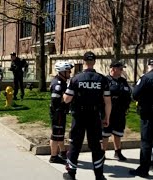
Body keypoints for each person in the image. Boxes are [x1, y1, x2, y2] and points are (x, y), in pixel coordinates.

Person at [62, 51, 112, 180]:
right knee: (96, 146)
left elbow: (67, 99)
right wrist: (107, 117)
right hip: (94, 116)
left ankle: (71, 174)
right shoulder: (102, 79)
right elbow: (108, 101)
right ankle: (99, 175)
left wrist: (64, 95)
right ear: (94, 62)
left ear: (83, 62)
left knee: (75, 144)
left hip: (79, 116)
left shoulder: (75, 79)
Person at [102, 61, 131, 161]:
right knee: (105, 134)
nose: (122, 70)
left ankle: (118, 153)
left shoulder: (123, 81)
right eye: (121, 69)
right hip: (108, 112)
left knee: (118, 133)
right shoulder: (105, 80)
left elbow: (128, 93)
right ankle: (102, 153)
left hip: (120, 112)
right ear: (113, 69)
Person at [49, 61, 73, 164]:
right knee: (56, 134)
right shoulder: (57, 84)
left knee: (59, 134)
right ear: (62, 72)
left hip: (61, 112)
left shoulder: (62, 81)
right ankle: (54, 157)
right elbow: (55, 100)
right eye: (68, 71)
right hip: (57, 112)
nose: (70, 73)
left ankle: (63, 152)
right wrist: (65, 98)